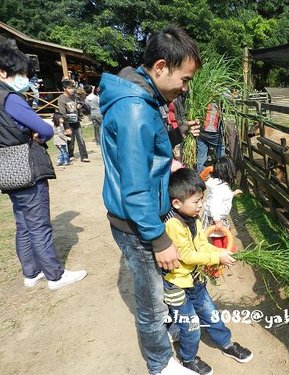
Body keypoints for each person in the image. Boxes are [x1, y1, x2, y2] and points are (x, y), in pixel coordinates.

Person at [99, 26, 202, 375]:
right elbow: (136, 186)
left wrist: (177, 132)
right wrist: (158, 238)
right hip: (138, 224)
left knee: (158, 294)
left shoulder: (143, 99)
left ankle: (163, 349)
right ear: (161, 67)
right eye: (184, 79)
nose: (184, 88)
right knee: (152, 305)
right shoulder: (135, 109)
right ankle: (161, 364)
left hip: (139, 219)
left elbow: (144, 152)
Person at [0, 45, 87, 289]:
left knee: (23, 224)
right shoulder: (10, 98)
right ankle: (55, 275)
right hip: (26, 167)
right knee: (38, 224)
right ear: (3, 72)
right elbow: (46, 129)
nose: (25, 79)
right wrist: (35, 134)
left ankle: (31, 272)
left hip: (7, 170)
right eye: (20, 73)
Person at [163, 168, 253, 375]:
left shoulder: (194, 220)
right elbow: (186, 255)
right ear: (177, 203)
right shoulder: (173, 225)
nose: (201, 205)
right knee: (191, 325)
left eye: (202, 200)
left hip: (195, 281)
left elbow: (202, 246)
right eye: (196, 202)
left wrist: (221, 252)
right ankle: (188, 359)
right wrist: (215, 257)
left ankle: (227, 343)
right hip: (177, 285)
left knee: (211, 314)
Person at [201, 156, 242, 251]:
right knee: (219, 239)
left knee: (222, 235)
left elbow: (222, 198)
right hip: (216, 218)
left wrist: (233, 193)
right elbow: (214, 204)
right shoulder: (220, 188)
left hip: (212, 216)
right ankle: (221, 256)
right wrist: (217, 220)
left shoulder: (214, 183)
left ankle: (227, 251)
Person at [57, 78, 90, 162]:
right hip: (68, 122)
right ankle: (70, 155)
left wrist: (79, 107)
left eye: (72, 88)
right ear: (64, 89)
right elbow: (62, 113)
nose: (71, 90)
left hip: (76, 121)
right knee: (70, 140)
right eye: (69, 88)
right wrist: (66, 126)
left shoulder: (75, 96)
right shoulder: (61, 98)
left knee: (81, 138)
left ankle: (84, 156)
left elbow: (79, 104)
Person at [196, 100, 225, 173]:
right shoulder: (219, 93)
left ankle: (200, 175)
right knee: (221, 147)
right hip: (212, 129)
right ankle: (220, 172)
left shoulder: (203, 94)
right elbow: (229, 96)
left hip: (201, 129)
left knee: (201, 154)